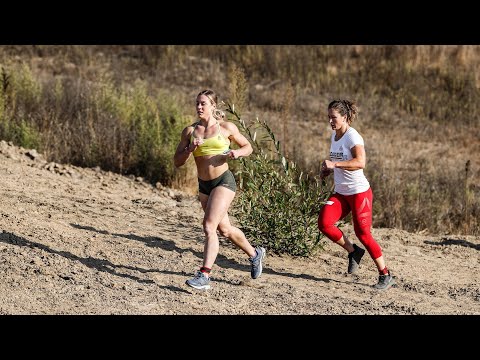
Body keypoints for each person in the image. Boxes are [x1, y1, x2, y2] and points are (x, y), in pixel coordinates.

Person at [173, 89, 266, 290]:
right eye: (197, 103)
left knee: (208, 226)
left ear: (213, 106)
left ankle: (204, 275)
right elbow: (177, 162)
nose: (199, 107)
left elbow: (248, 146)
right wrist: (190, 149)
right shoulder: (190, 131)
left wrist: (236, 153)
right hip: (204, 186)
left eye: (203, 103)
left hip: (223, 182)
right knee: (224, 230)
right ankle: (255, 254)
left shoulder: (226, 128)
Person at [318, 99, 395, 290]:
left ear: (344, 117)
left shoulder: (353, 137)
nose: (330, 121)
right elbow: (339, 162)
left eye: (333, 117)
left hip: (359, 193)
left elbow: (360, 162)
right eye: (328, 117)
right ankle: (353, 251)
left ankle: (385, 274)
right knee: (324, 223)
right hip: (341, 193)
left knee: (363, 234)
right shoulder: (334, 136)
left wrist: (334, 164)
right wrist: (328, 170)